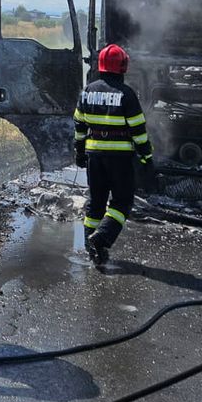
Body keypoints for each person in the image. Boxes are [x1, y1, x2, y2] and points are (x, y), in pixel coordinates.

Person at [73, 44, 155, 265]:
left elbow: (79, 124)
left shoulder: (88, 91)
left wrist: (80, 152)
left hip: (94, 157)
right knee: (122, 201)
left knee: (96, 203)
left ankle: (91, 248)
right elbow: (138, 130)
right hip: (119, 159)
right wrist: (147, 157)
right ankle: (102, 237)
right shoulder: (126, 94)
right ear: (123, 66)